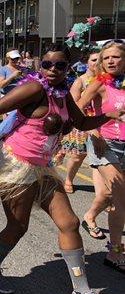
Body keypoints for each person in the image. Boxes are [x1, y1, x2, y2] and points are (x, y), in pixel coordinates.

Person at [0, 45, 124, 294]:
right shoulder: (34, 89)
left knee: (70, 223)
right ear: (40, 66)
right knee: (18, 227)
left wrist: (107, 115)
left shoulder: (61, 93)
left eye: (59, 66)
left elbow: (81, 123)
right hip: (15, 164)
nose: (52, 70)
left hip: (41, 166)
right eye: (47, 65)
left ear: (68, 68)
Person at [77, 41, 125, 272]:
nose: (110, 61)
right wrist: (92, 129)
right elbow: (77, 108)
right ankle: (115, 252)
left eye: (115, 57)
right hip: (105, 145)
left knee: (108, 195)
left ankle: (89, 216)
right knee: (121, 197)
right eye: (106, 58)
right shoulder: (99, 83)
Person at [57, 51, 100, 194]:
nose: (97, 62)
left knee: (100, 160)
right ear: (86, 62)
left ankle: (103, 193)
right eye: (94, 59)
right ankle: (69, 179)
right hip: (83, 123)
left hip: (101, 123)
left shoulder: (108, 80)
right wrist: (87, 125)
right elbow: (75, 105)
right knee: (77, 157)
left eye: (100, 59)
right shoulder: (80, 81)